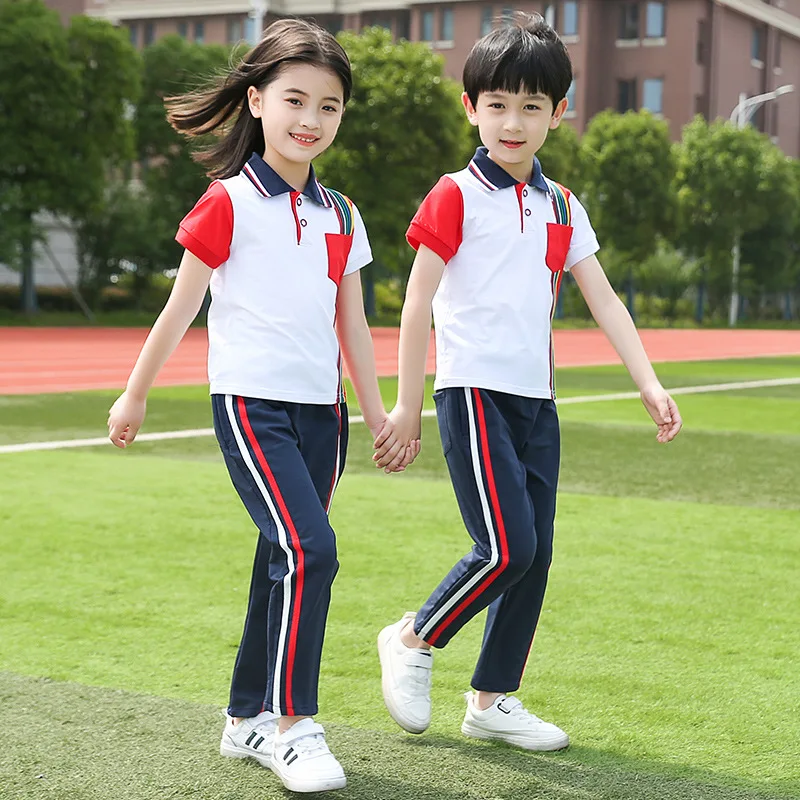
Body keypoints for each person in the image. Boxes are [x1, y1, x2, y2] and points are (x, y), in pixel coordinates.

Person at [107, 19, 416, 793]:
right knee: (312, 550)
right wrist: (136, 391)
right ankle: (292, 725)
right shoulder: (227, 203)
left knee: (280, 562)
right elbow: (180, 309)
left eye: (330, 107)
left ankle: (244, 718)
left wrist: (378, 413)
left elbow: (352, 322)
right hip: (252, 408)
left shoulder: (343, 214)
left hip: (325, 416)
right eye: (295, 100)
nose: (310, 120)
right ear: (255, 100)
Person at [375, 12, 683, 752]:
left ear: (558, 112)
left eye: (532, 107)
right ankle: (414, 636)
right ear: (472, 107)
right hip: (471, 393)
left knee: (536, 554)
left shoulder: (561, 204)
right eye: (498, 106)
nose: (513, 123)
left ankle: (492, 698)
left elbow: (603, 298)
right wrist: (408, 404)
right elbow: (417, 300)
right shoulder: (454, 193)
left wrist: (648, 381)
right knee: (506, 546)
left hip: (537, 404)